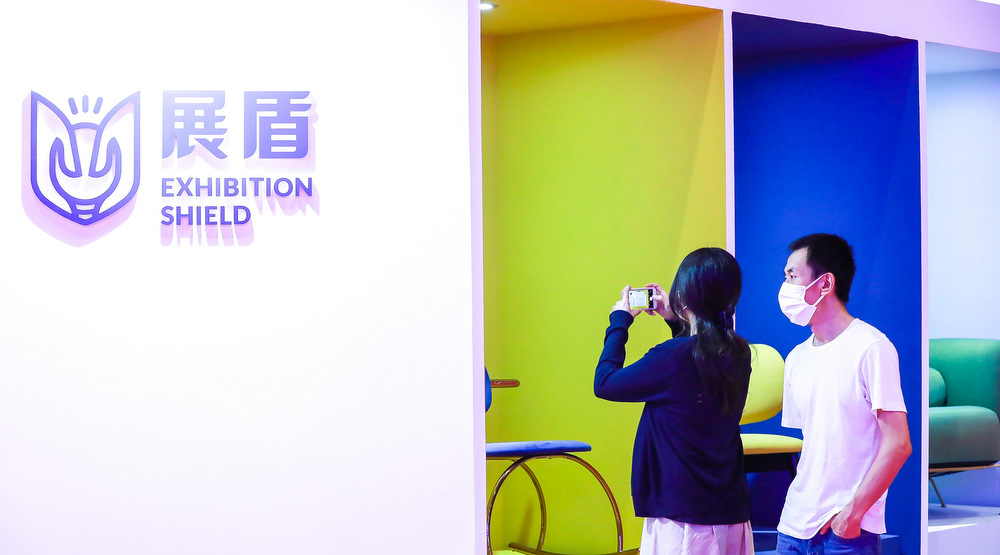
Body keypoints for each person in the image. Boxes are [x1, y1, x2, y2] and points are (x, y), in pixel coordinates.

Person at [594, 247, 754, 555]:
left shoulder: (672, 356)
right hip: (729, 507)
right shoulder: (738, 352)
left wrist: (619, 322)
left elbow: (605, 383)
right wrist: (678, 320)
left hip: (683, 516)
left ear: (684, 295)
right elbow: (695, 360)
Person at [776, 233, 911, 555]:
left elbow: (898, 444)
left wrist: (852, 514)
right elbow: (815, 442)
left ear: (824, 283)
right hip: (793, 525)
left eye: (792, 276)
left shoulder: (872, 347)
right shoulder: (796, 358)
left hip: (846, 533)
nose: (785, 287)